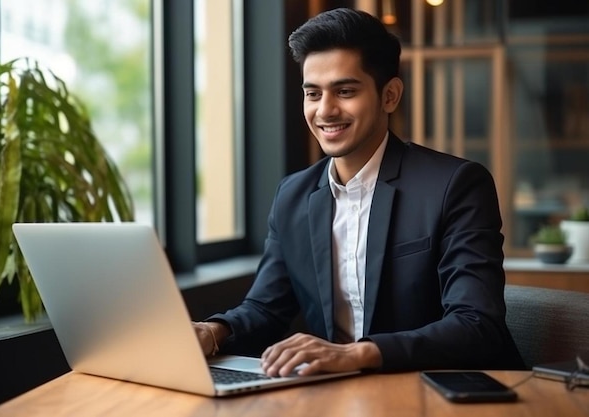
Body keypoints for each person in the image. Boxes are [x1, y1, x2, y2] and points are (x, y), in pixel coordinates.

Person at [193, 7, 524, 377]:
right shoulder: (293, 195)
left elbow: (478, 325)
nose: (325, 110)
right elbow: (265, 309)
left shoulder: (457, 185)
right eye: (312, 93)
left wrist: (356, 354)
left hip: (449, 394)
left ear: (390, 96)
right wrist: (212, 332)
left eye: (345, 91)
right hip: (344, 394)